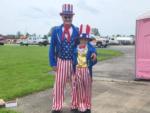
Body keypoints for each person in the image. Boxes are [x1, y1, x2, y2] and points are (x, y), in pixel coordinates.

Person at [49, 4, 97, 113]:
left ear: (72, 17)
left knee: (75, 84)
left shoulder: (76, 30)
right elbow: (51, 48)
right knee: (59, 85)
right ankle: (56, 107)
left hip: (74, 62)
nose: (67, 18)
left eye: (69, 16)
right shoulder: (56, 31)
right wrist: (53, 63)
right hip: (60, 61)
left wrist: (94, 51)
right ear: (62, 17)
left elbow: (86, 43)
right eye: (65, 16)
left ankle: (75, 105)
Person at [72, 24, 97, 113]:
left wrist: (94, 56)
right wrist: (73, 72)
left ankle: (88, 106)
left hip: (86, 70)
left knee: (87, 88)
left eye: (85, 39)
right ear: (79, 39)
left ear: (87, 40)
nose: (83, 41)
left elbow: (94, 59)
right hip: (78, 70)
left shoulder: (90, 48)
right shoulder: (75, 48)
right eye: (82, 39)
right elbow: (73, 61)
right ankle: (81, 106)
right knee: (80, 89)